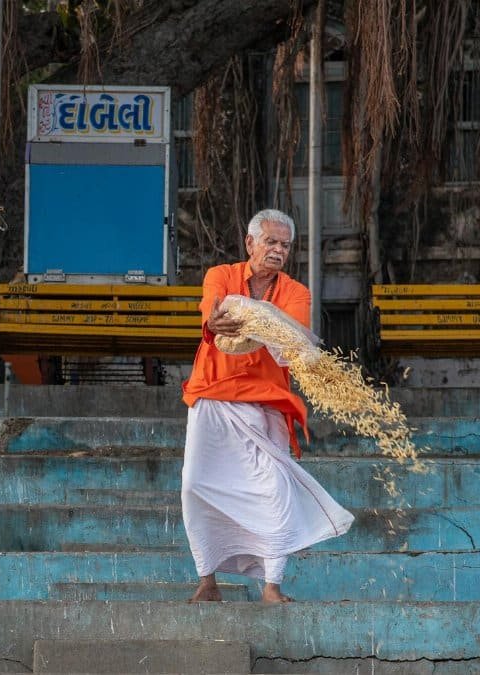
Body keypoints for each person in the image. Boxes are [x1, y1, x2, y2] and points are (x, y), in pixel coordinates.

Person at [180, 208, 354, 603]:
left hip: (267, 403)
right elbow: (212, 308)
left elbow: (291, 341)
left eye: (285, 246)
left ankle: (271, 586)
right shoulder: (221, 275)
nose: (277, 251)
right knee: (195, 485)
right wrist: (215, 320)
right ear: (250, 243)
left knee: (275, 491)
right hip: (214, 394)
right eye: (270, 242)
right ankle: (207, 581)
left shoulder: (295, 292)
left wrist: (274, 331)